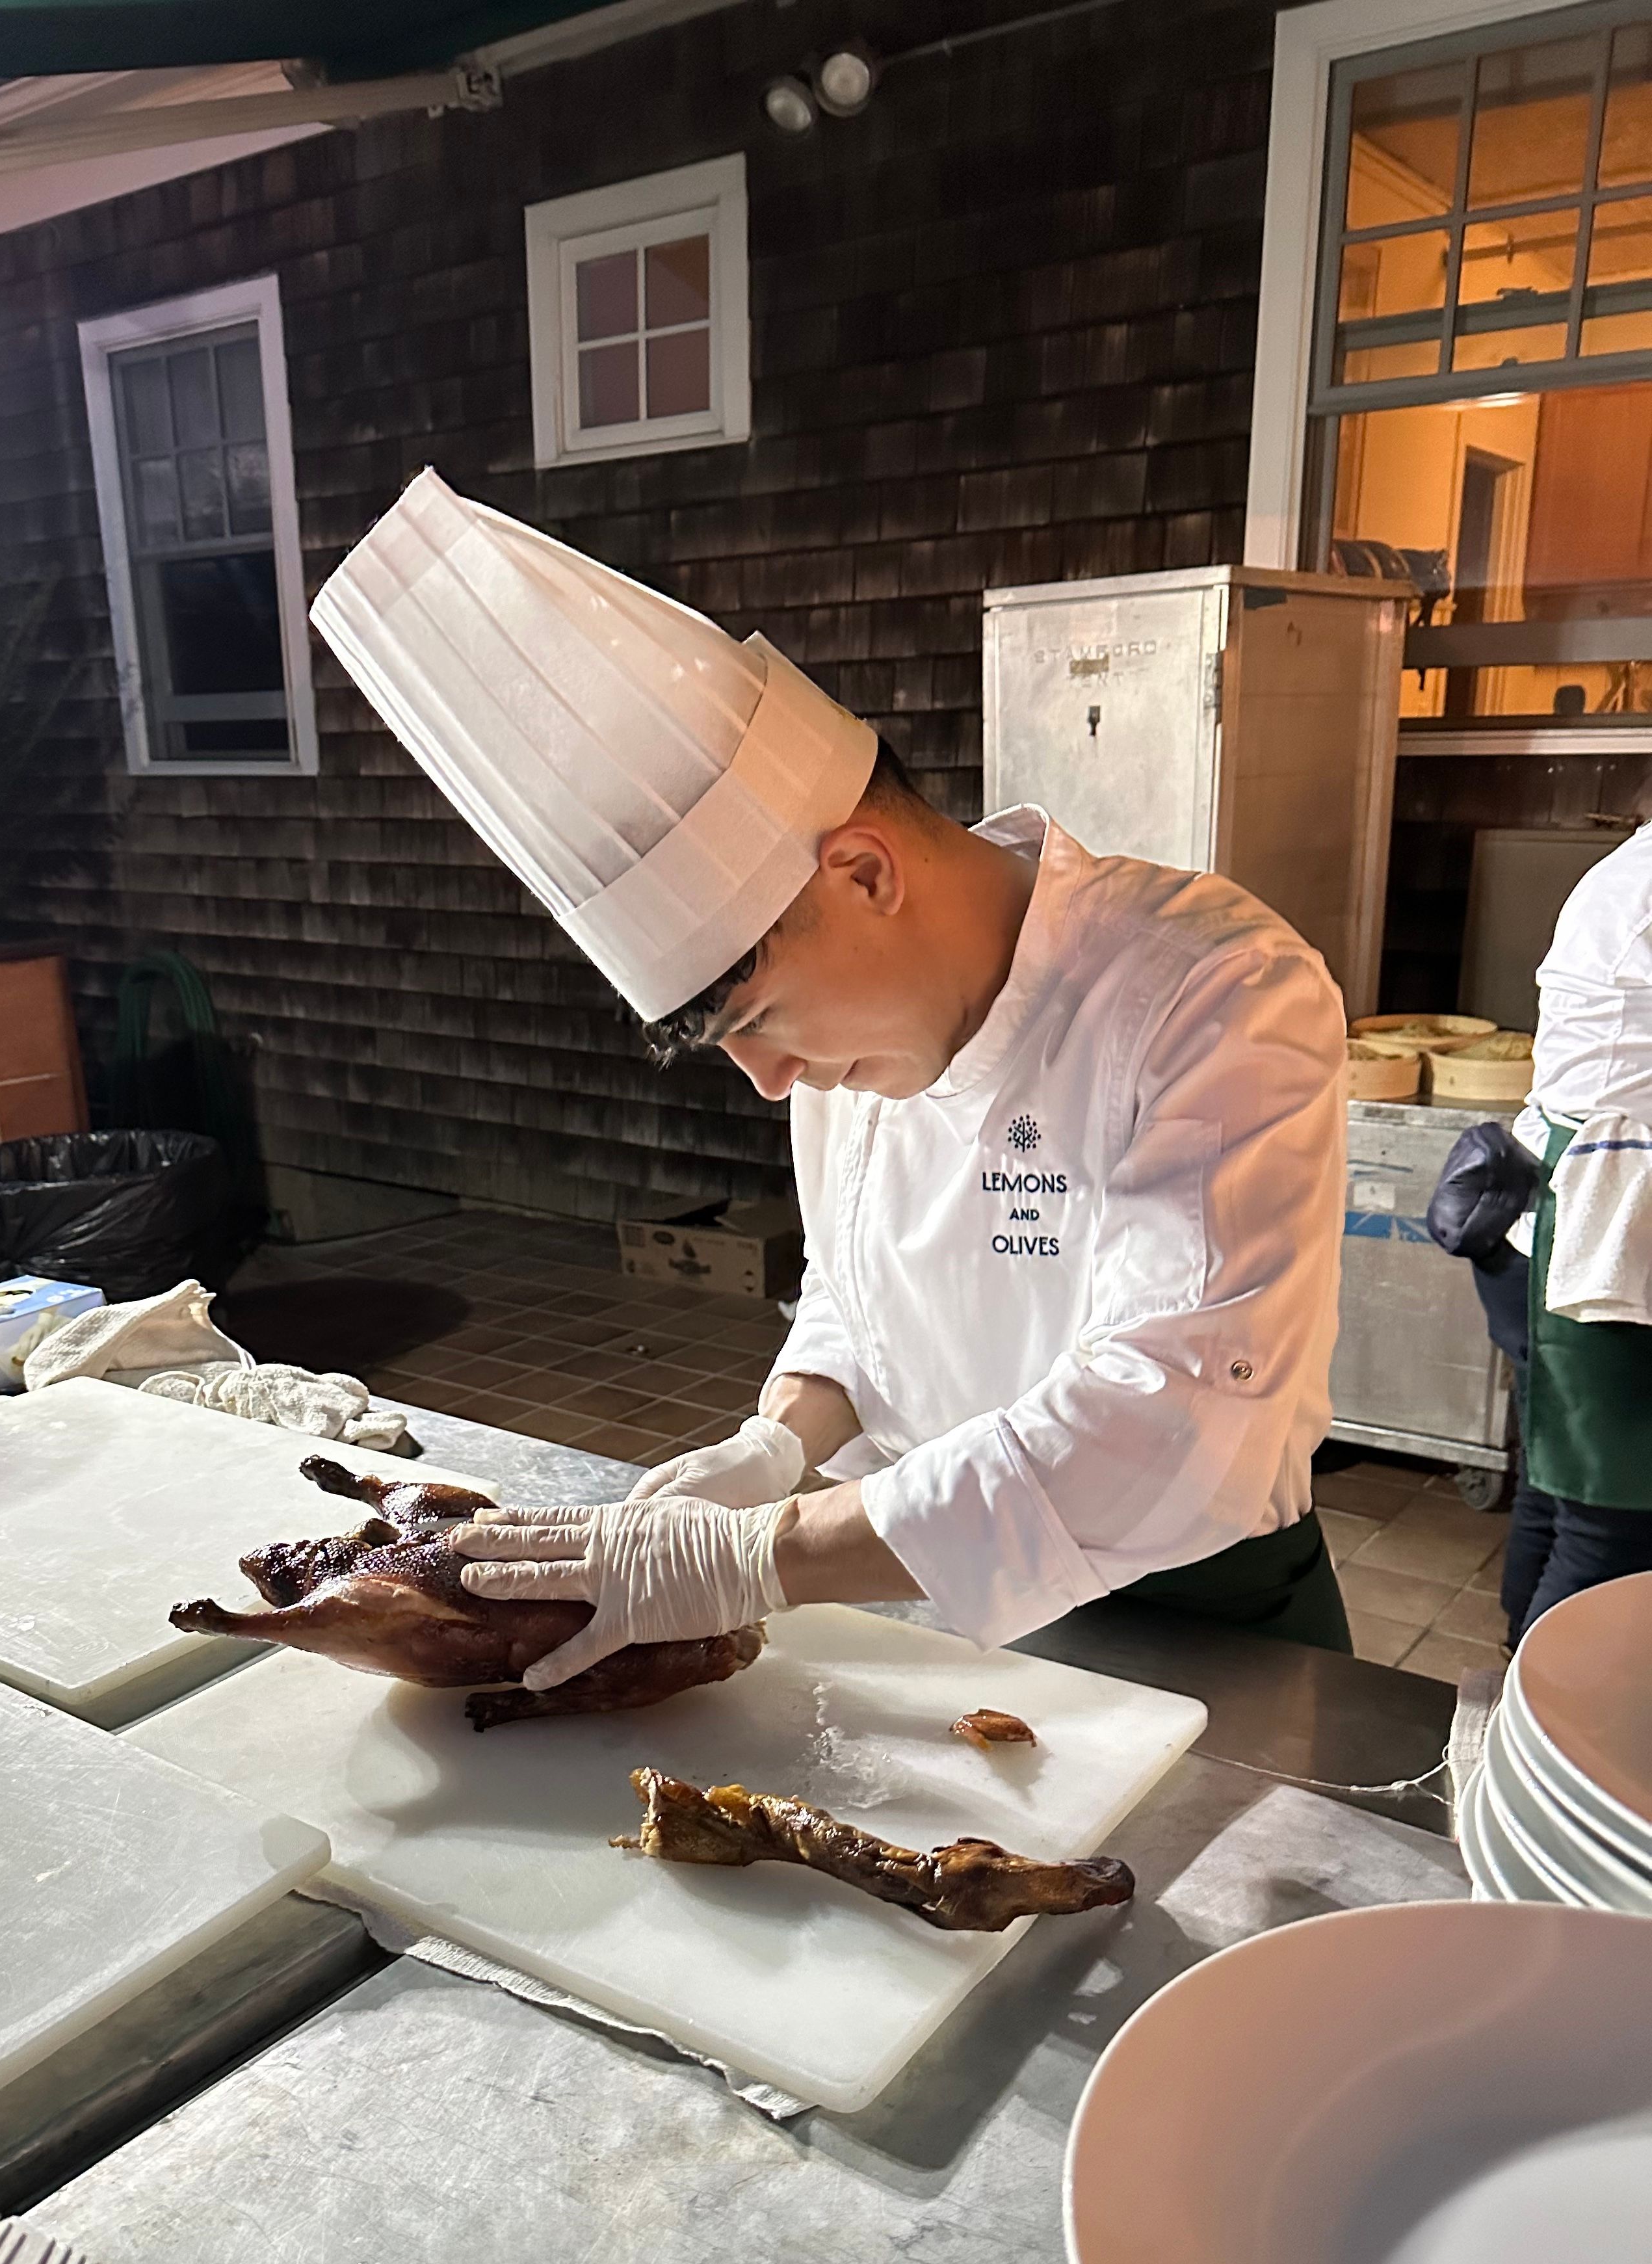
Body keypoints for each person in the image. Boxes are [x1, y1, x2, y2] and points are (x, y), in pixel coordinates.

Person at [313, 471, 1351, 1689]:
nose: (765, 1082)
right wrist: (776, 1438)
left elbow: (1166, 1421)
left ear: (862, 871)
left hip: (1194, 1629)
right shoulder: (840, 1058)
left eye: (754, 1017)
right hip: (907, 1597)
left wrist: (766, 1548)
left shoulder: (1211, 988)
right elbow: (857, 1296)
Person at [1498, 825, 1652, 1635]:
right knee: (1612, 1528)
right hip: (1604, 1240)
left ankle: (1506, 1710)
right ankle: (1538, 1738)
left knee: (1557, 1496)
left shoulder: (1625, 869)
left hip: (1555, 1214)